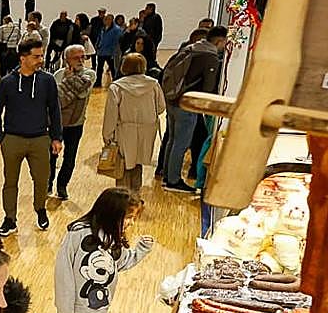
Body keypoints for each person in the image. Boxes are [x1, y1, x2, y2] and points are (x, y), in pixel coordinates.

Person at [0, 39, 63, 236]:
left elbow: (55, 110)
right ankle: (10, 218)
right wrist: (1, 138)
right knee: (10, 182)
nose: (41, 59)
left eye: (41, 55)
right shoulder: (7, 82)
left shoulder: (47, 81)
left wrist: (56, 137)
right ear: (23, 58)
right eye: (36, 56)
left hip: (40, 139)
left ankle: (40, 209)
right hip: (12, 139)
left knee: (42, 179)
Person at [163, 26, 227, 194]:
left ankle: (167, 177)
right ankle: (174, 181)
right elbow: (208, 87)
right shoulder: (210, 57)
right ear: (219, 41)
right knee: (181, 143)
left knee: (173, 140)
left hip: (173, 99)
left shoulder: (190, 48)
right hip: (188, 103)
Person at [102, 53, 165, 195]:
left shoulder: (117, 87)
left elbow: (111, 114)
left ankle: (122, 198)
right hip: (147, 129)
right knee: (138, 163)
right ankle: (135, 196)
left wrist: (107, 136)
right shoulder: (153, 84)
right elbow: (161, 107)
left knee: (122, 165)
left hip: (124, 130)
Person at [48, 44, 96, 201]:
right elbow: (56, 100)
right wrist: (69, 85)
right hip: (56, 123)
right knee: (50, 156)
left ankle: (62, 186)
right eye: (77, 57)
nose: (81, 60)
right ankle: (47, 184)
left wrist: (68, 82)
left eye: (83, 57)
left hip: (76, 124)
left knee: (70, 158)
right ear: (66, 59)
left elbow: (82, 92)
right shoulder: (58, 74)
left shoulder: (90, 74)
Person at [94, 12, 122, 87]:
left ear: (111, 20)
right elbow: (100, 38)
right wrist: (97, 46)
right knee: (99, 68)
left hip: (110, 52)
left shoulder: (117, 30)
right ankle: (98, 82)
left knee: (113, 68)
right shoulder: (103, 28)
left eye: (107, 19)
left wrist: (114, 52)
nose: (105, 21)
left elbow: (117, 42)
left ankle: (115, 81)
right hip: (101, 51)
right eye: (105, 19)